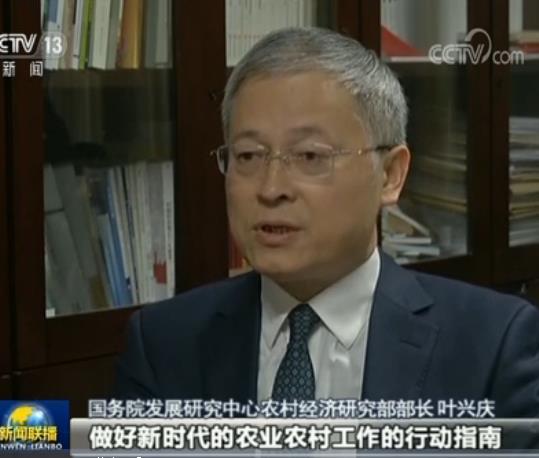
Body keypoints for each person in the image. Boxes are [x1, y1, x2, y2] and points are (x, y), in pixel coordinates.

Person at [114, 27, 539, 418]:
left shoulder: (493, 345)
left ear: (390, 175)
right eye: (248, 156)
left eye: (310, 156)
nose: (271, 188)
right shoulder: (163, 343)